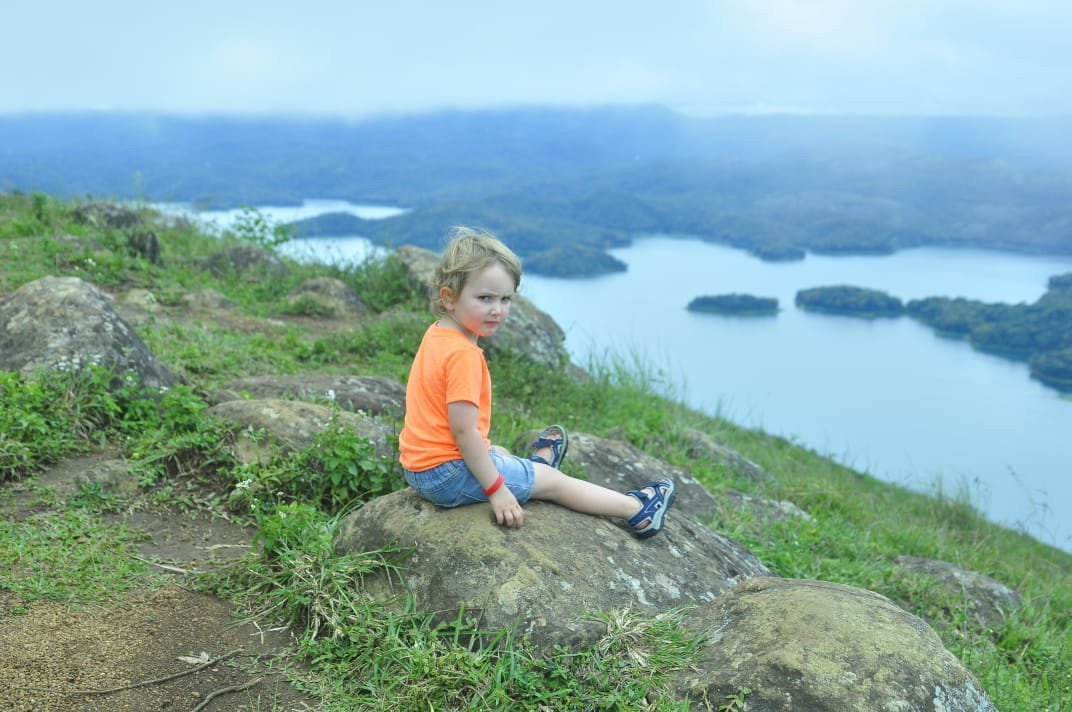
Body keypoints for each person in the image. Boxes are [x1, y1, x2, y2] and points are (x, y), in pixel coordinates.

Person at [398, 226, 675, 538]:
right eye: (485, 298)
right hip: (448, 476)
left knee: (499, 451)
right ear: (449, 298)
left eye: (505, 299)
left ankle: (534, 469)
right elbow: (464, 432)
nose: (497, 310)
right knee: (554, 484)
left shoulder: (438, 333)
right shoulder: (464, 355)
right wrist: (497, 489)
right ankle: (637, 509)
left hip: (420, 469)